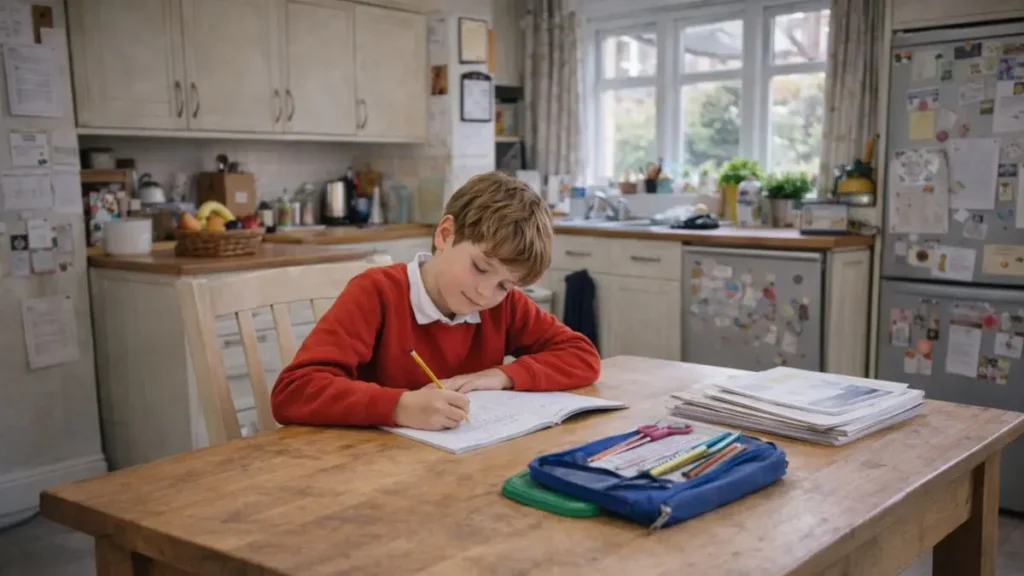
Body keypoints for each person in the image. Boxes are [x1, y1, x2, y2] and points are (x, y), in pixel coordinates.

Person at [271, 171, 601, 431]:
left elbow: (582, 356)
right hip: (369, 472)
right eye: (479, 268)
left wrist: (501, 375)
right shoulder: (377, 292)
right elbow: (294, 391)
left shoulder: (504, 305)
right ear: (445, 235)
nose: (486, 293)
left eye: (504, 284)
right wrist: (398, 406)